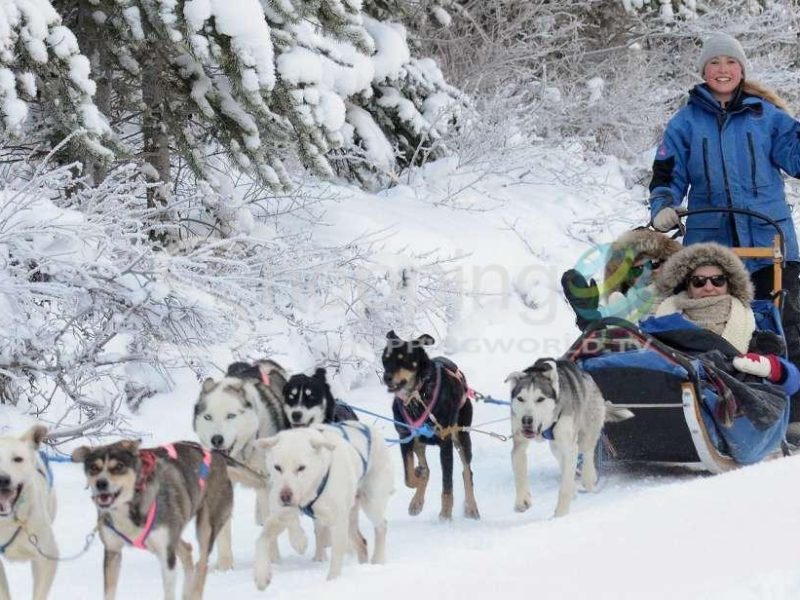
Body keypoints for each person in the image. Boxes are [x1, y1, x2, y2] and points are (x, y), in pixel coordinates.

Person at [647, 32, 800, 435]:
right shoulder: (684, 122)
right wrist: (663, 207)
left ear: (741, 69)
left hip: (770, 245)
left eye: (730, 63)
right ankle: (717, 403)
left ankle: (792, 414)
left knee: (784, 324)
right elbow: (666, 174)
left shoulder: (766, 116)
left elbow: (795, 158)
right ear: (703, 71)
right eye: (714, 63)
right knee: (710, 327)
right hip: (712, 249)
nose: (722, 70)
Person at [654, 242, 797, 393]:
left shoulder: (752, 319)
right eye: (698, 281)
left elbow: (791, 383)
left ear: (729, 284)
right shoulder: (663, 317)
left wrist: (770, 366)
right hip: (672, 393)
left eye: (718, 280)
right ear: (688, 286)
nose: (708, 287)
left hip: (729, 401)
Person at [561, 229, 681, 330]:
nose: (647, 273)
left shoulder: (691, 294)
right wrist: (591, 321)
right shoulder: (621, 305)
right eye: (637, 269)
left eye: (653, 264)